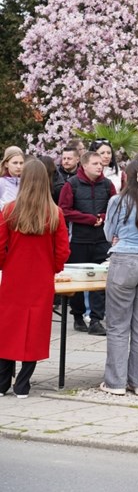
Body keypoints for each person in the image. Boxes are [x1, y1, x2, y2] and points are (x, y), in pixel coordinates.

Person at [0, 161, 70, 398]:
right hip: (41, 278)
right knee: (35, 329)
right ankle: (23, 383)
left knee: (8, 327)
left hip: (13, 277)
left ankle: (2, 383)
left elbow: (0, 247)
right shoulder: (54, 213)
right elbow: (62, 250)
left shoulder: (9, 210)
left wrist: (5, 265)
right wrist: (54, 268)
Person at [99, 160, 138, 396]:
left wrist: (120, 237)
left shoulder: (117, 201)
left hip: (124, 260)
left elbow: (108, 233)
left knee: (118, 325)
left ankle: (115, 382)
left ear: (126, 177)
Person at [58, 150, 116, 335]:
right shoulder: (72, 184)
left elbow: (115, 207)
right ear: (84, 165)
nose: (100, 166)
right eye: (95, 163)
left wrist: (103, 217)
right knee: (77, 279)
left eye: (101, 163)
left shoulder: (107, 185)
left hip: (101, 239)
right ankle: (77, 315)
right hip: (79, 240)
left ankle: (96, 320)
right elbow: (64, 211)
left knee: (100, 280)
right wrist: (88, 219)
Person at [0, 146, 24, 210]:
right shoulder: (1, 183)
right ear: (6, 164)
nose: (18, 166)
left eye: (21, 163)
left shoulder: (25, 182)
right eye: (15, 163)